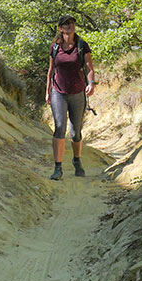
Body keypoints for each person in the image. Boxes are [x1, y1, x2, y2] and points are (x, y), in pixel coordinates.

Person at [46, 15, 96, 180]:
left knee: (75, 132)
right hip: (58, 92)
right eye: (66, 24)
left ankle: (76, 160)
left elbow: (89, 68)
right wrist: (48, 91)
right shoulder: (55, 47)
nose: (70, 26)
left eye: (72, 23)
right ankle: (58, 168)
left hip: (77, 93)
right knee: (60, 127)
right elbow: (51, 70)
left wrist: (91, 83)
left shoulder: (82, 45)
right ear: (60, 28)